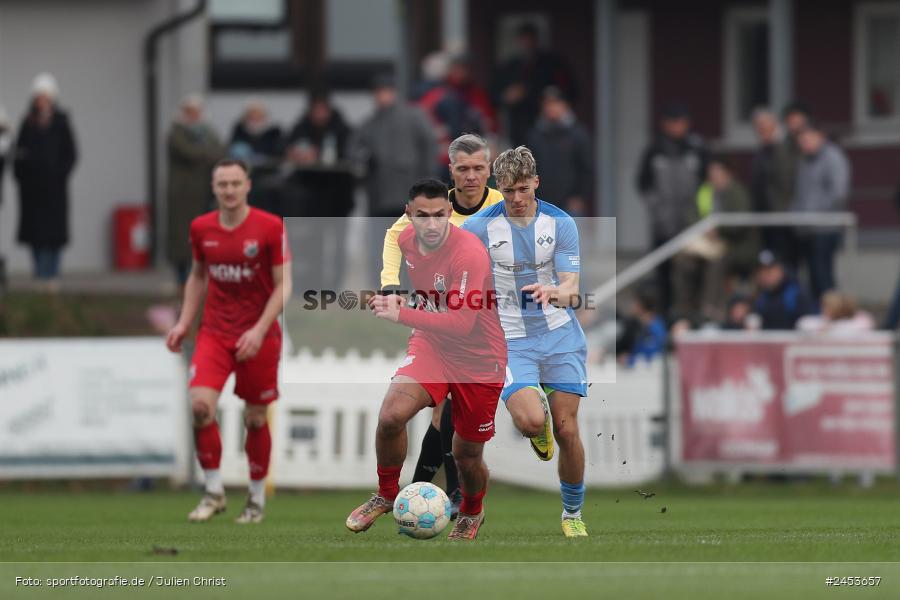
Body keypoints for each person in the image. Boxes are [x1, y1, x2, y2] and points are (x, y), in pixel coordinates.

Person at [346, 178, 507, 541]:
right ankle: (386, 494)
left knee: (466, 455)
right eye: (422, 216)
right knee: (391, 416)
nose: (431, 224)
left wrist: (400, 313)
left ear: (449, 213)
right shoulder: (405, 239)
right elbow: (391, 241)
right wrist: (391, 287)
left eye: (438, 215)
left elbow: (463, 324)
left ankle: (472, 511)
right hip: (433, 344)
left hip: (480, 358)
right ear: (409, 214)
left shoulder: (469, 253)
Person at [462, 146, 590, 538]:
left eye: (523, 189)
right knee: (531, 420)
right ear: (498, 188)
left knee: (568, 431)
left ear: (536, 182)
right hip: (510, 341)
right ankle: (539, 426)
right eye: (508, 190)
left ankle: (572, 514)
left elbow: (572, 290)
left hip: (559, 336)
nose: (517, 198)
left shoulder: (560, 223)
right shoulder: (478, 229)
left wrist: (554, 292)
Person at [381, 134, 504, 517]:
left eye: (478, 168)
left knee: (473, 433)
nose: (471, 176)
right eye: (463, 169)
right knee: (431, 413)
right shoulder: (434, 206)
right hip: (441, 326)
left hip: (490, 326)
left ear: (489, 169)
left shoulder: (503, 207)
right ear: (451, 171)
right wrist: (389, 283)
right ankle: (435, 496)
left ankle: (448, 495)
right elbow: (394, 235)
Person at [165, 159, 291, 525]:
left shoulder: (270, 227)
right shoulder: (201, 228)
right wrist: (183, 323)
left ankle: (255, 500)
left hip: (260, 335)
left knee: (255, 418)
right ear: (213, 187)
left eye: (236, 183)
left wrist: (259, 329)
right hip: (215, 332)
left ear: (248, 185)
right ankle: (213, 492)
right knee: (200, 407)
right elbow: (197, 276)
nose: (229, 190)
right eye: (223, 184)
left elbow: (284, 285)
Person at [351, 74, 437, 288]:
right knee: (381, 247)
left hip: (411, 194)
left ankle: (413, 288)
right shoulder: (369, 124)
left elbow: (429, 147)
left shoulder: (413, 117)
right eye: (378, 92)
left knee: (412, 246)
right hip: (379, 195)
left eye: (385, 91)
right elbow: (353, 151)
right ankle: (384, 288)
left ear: (393, 92)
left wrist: (428, 184)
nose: (382, 96)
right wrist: (363, 161)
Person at [636, 103, 709, 316]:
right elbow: (643, 183)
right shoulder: (654, 150)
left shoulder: (697, 149)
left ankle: (691, 313)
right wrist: (657, 209)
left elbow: (707, 183)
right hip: (664, 224)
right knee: (664, 270)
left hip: (691, 222)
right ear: (665, 124)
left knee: (692, 270)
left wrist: (700, 214)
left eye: (681, 122)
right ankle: (665, 313)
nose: (677, 127)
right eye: (673, 122)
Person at [285, 89, 355, 292]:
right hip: (311, 200)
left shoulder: (342, 129)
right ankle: (314, 285)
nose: (319, 114)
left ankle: (335, 286)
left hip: (338, 199)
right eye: (315, 109)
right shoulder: (301, 128)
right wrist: (297, 155)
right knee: (312, 245)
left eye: (322, 109)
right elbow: (287, 149)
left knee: (338, 245)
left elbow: (351, 156)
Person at [13, 73, 78, 286]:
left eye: (45, 96)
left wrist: (59, 174)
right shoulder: (28, 122)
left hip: (55, 190)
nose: (42, 101)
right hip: (32, 191)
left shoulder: (61, 122)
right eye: (39, 96)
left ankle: (53, 274)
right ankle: (40, 275)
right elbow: (19, 155)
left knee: (54, 234)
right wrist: (23, 177)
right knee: (36, 234)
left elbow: (71, 154)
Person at [166, 94, 224, 286]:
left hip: (204, 193)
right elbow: (190, 153)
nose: (194, 116)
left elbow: (220, 150)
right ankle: (181, 277)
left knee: (205, 235)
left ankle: (201, 276)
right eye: (190, 112)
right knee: (182, 236)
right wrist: (207, 153)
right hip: (182, 195)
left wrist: (207, 153)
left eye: (197, 112)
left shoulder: (208, 132)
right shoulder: (176, 133)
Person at [491, 22, 577, 147]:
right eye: (524, 39)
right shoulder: (509, 66)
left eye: (530, 39)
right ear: (518, 41)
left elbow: (571, 91)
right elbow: (494, 95)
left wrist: (554, 104)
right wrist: (507, 97)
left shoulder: (551, 64)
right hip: (519, 124)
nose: (527, 43)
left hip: (547, 124)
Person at [792, 123, 851, 301]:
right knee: (812, 277)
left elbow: (839, 193)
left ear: (820, 136)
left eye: (807, 139)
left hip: (826, 227)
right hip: (806, 228)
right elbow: (800, 193)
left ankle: (831, 312)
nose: (804, 144)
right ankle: (817, 311)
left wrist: (812, 212)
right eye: (801, 141)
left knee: (823, 275)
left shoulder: (833, 158)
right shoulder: (803, 160)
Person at [418, 54, 497, 177]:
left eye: (464, 68)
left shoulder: (476, 94)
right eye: (457, 68)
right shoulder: (438, 95)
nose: (461, 73)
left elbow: (488, 124)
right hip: (442, 157)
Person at [526, 86, 592, 217]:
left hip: (570, 205)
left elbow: (586, 169)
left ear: (565, 105)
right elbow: (527, 169)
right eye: (547, 104)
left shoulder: (577, 134)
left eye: (555, 103)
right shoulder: (535, 136)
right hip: (541, 203)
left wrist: (580, 196)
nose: (551, 108)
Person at [750, 108, 794, 258]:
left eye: (764, 124)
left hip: (783, 215)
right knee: (769, 258)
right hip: (765, 215)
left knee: (784, 258)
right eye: (757, 125)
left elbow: (786, 180)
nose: (760, 128)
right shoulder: (763, 148)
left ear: (774, 124)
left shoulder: (786, 146)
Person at [227, 98, 284, 215]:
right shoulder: (240, 129)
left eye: (258, 114)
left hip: (267, 174)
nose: (254, 117)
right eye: (251, 114)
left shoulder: (274, 132)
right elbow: (232, 149)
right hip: (244, 173)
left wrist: (264, 159)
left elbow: (279, 154)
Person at [752, 250, 814, 330]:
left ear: (781, 270)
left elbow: (810, 322)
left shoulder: (796, 294)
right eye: (761, 271)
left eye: (769, 271)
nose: (765, 275)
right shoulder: (760, 297)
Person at [797, 291, 874, 335]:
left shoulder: (860, 320)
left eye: (829, 306)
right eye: (824, 306)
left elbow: (862, 325)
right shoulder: (823, 320)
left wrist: (830, 328)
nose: (824, 309)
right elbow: (802, 323)